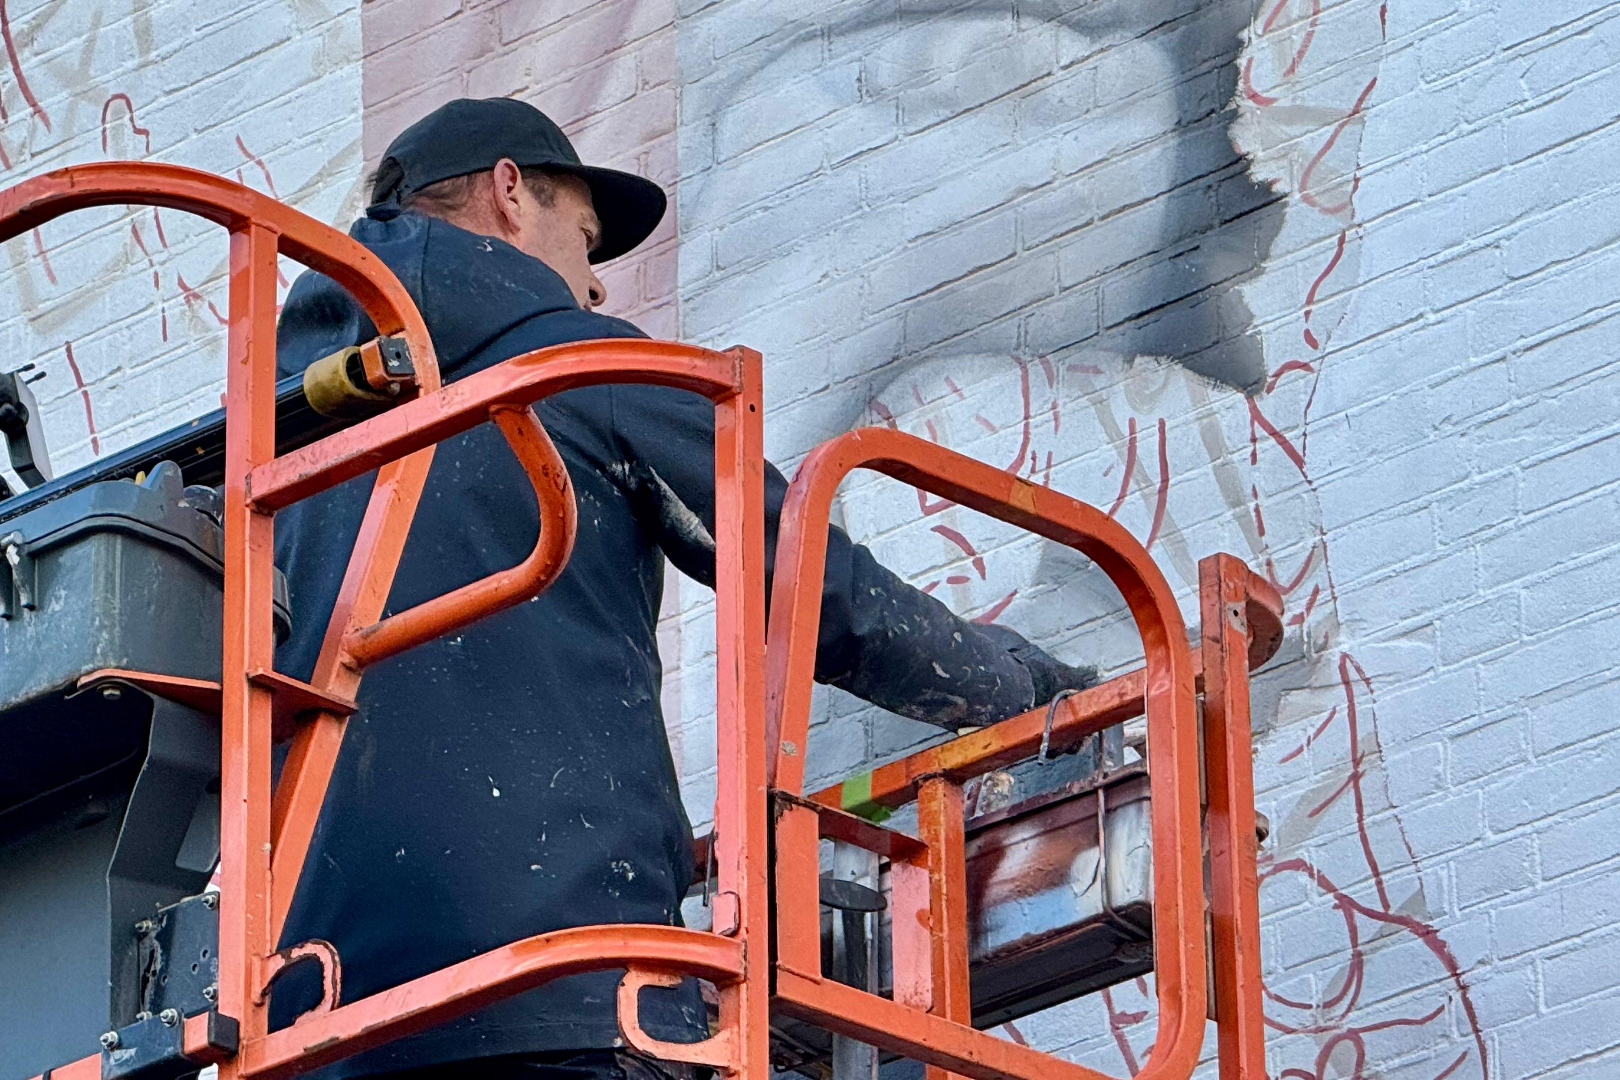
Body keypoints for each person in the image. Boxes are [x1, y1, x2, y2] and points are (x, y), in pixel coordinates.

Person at [268, 97, 1094, 1080]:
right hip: (561, 995)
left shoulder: (282, 452)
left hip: (316, 1026)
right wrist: (1035, 695)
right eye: (583, 240)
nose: (595, 281)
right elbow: (812, 586)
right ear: (507, 194)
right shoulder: (577, 364)